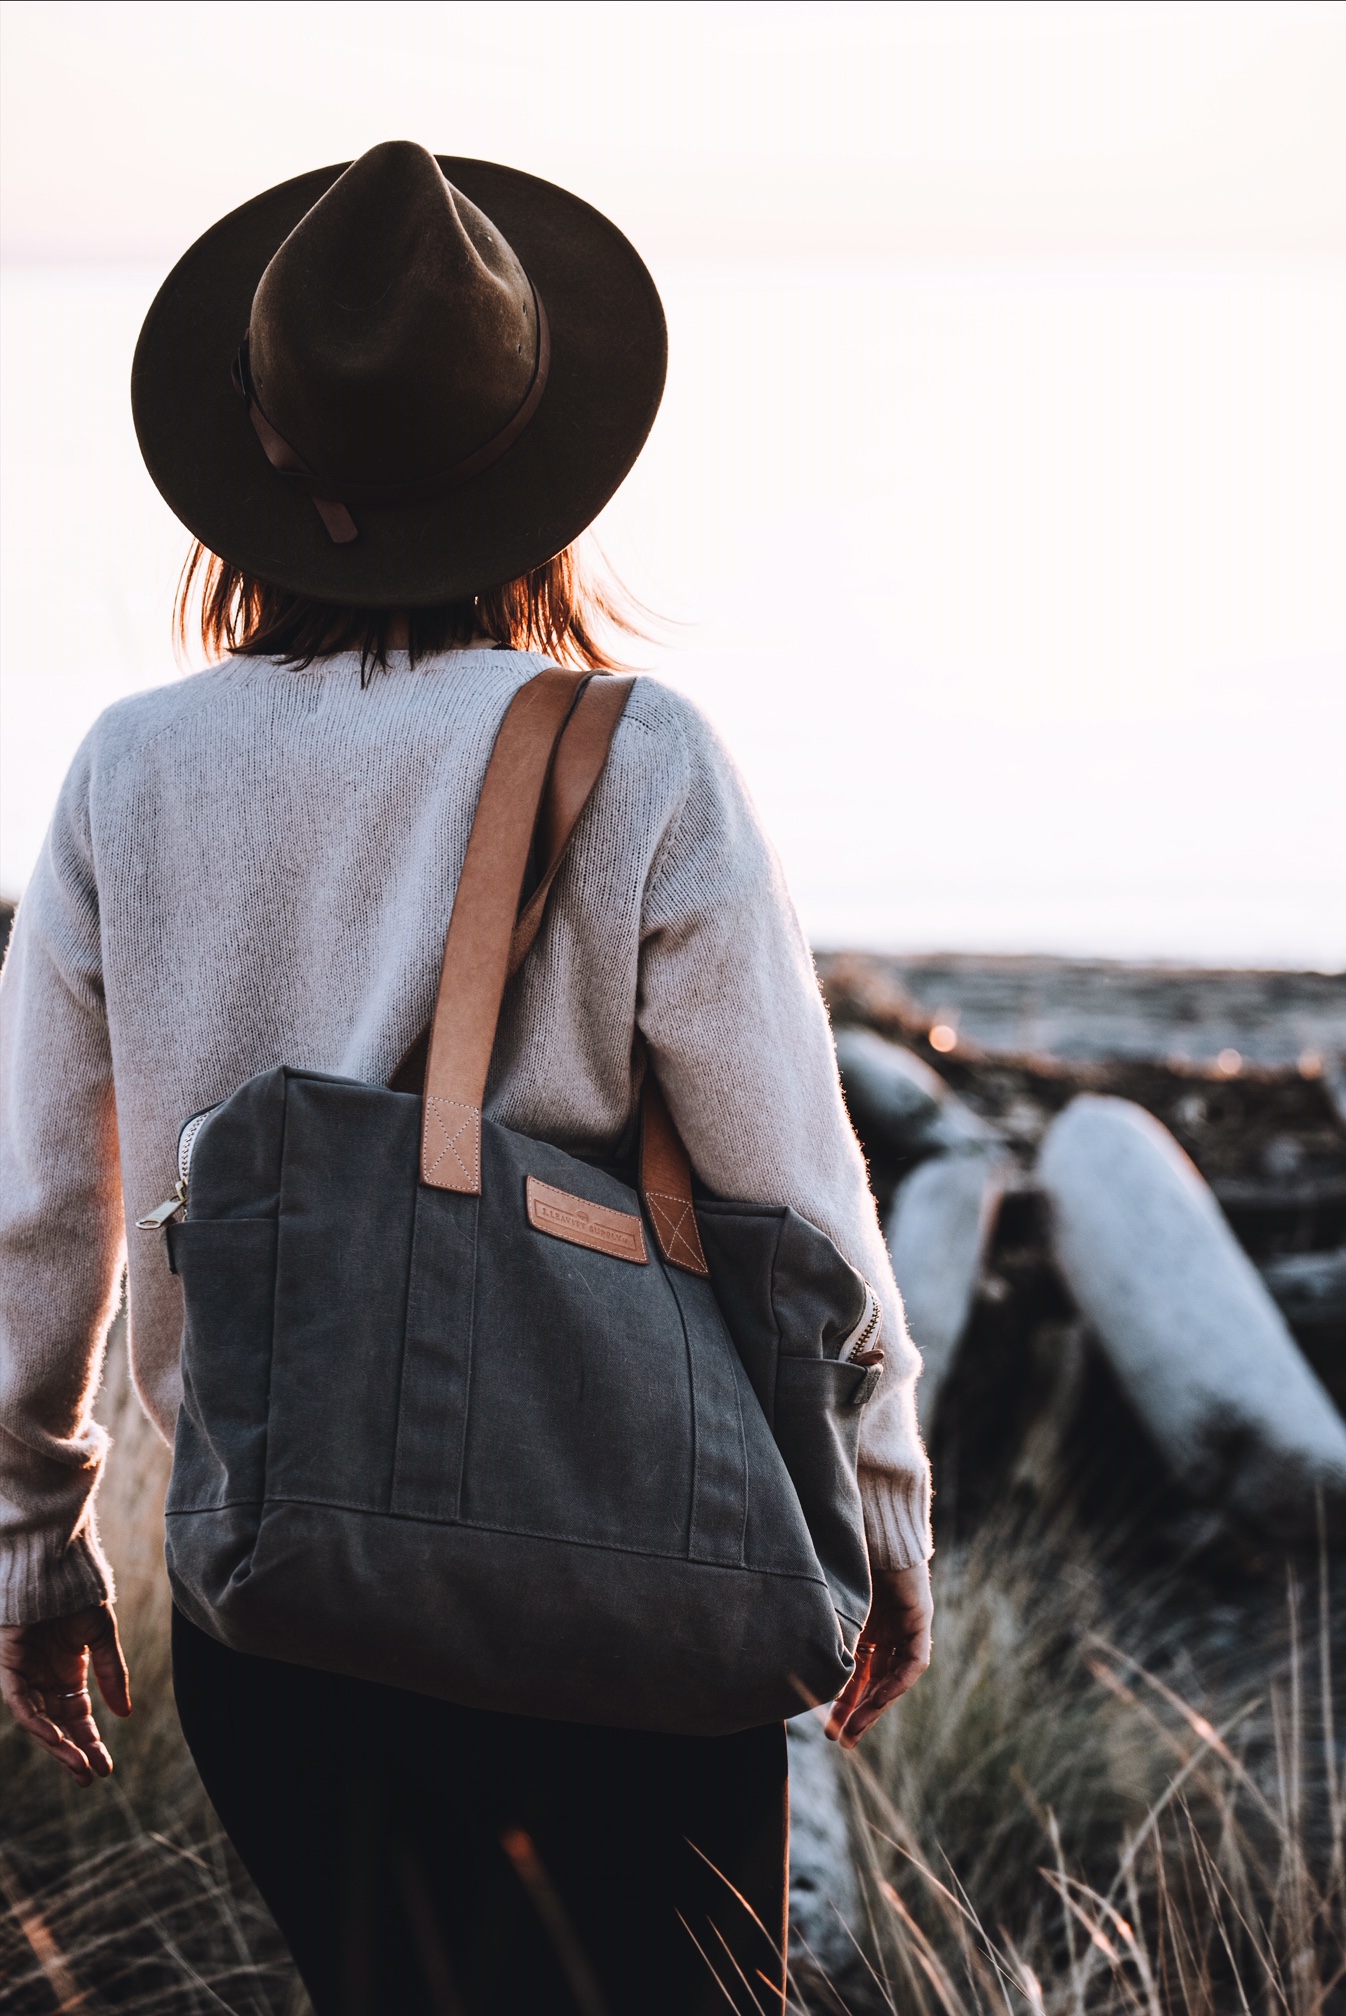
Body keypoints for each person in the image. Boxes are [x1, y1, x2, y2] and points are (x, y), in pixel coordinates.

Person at [0, 142, 932, 2014]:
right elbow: (792, 1199)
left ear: (254, 460)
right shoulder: (639, 757)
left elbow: (44, 1210)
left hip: (281, 1599)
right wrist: (881, 1486)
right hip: (613, 1579)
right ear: (534, 468)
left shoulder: (129, 769)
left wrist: (30, 1532)